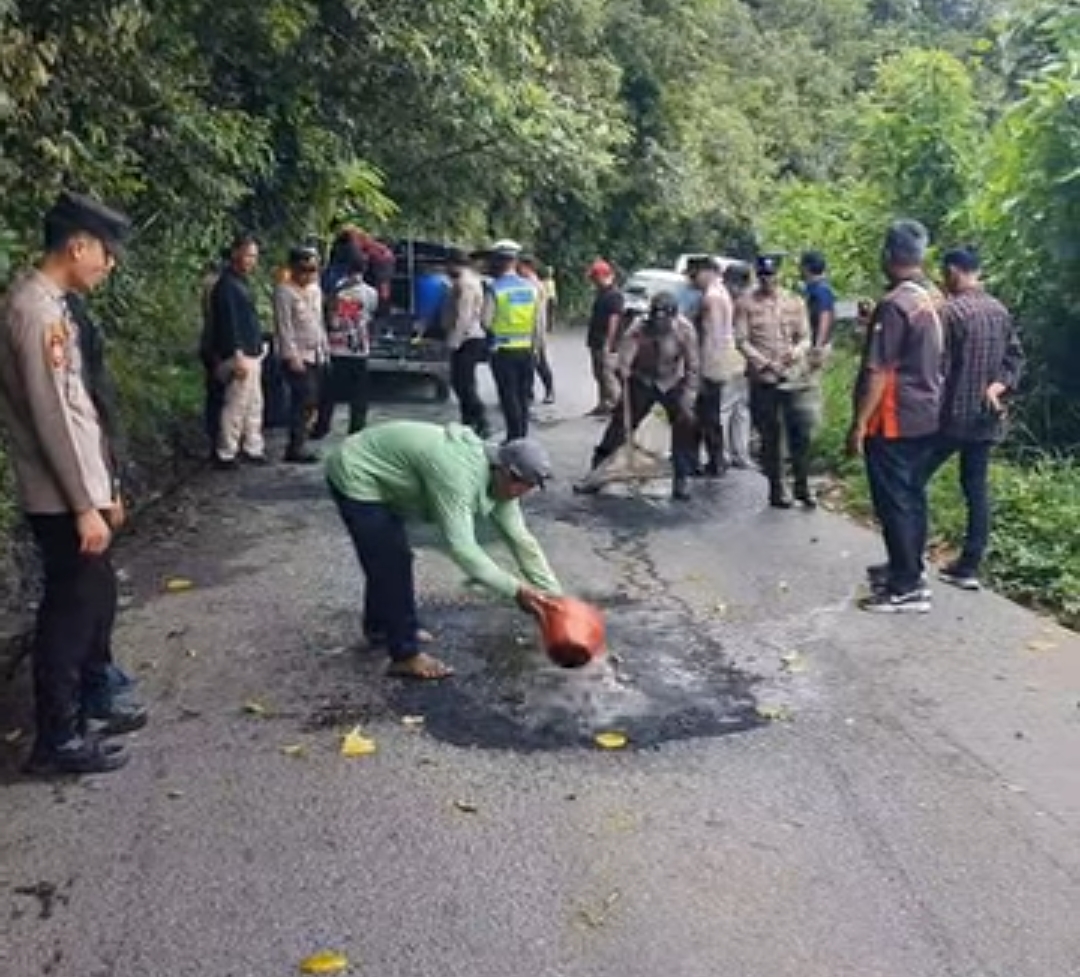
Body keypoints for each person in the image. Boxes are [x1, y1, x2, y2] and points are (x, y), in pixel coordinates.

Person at [0, 190, 147, 775]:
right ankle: (55, 739)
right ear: (77, 246)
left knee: (87, 604)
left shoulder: (51, 304)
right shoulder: (35, 312)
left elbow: (81, 411)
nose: (108, 265)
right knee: (68, 613)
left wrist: (105, 489)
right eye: (104, 253)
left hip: (78, 491)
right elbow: (55, 419)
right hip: (61, 497)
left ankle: (78, 715)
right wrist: (86, 504)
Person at [325, 421, 562, 680]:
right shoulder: (458, 475)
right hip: (356, 471)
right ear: (500, 468)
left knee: (391, 558)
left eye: (528, 486)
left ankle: (382, 627)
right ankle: (405, 656)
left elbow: (522, 541)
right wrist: (518, 591)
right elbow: (463, 550)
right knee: (391, 561)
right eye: (517, 481)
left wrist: (556, 601)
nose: (519, 491)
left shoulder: (503, 483)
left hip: (386, 476)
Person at [847, 220, 945, 613]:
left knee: (895, 502)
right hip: (926, 413)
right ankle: (910, 569)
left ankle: (906, 588)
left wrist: (858, 424)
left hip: (893, 418)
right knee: (912, 497)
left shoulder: (894, 305)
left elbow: (878, 370)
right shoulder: (930, 298)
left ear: (889, 255)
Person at [924, 246, 1024, 591]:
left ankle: (910, 554)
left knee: (910, 480)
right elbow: (1014, 359)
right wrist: (997, 388)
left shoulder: (950, 313)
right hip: (985, 418)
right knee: (976, 489)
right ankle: (969, 565)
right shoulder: (999, 310)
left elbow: (936, 369)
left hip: (950, 418)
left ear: (953, 271)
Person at [575, 292, 700, 501]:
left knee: (686, 424)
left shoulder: (685, 330)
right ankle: (595, 475)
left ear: (672, 317)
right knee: (619, 427)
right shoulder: (638, 328)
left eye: (664, 321)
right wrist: (623, 368)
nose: (659, 325)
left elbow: (693, 365)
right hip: (642, 380)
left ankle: (682, 477)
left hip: (671, 380)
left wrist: (689, 394)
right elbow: (625, 356)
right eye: (656, 320)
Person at [735, 254, 816, 508]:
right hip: (764, 379)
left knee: (801, 434)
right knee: (771, 437)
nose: (767, 280)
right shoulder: (746, 303)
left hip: (793, 378)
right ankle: (777, 489)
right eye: (763, 276)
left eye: (771, 275)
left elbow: (805, 337)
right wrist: (763, 362)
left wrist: (797, 352)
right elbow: (741, 340)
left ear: (779, 275)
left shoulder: (794, 301)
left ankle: (802, 485)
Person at [206, 234, 267, 469]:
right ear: (236, 254)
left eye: (255, 256)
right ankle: (226, 451)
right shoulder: (227, 286)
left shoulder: (240, 282)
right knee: (236, 404)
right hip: (238, 353)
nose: (252, 261)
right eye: (249, 255)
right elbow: (229, 322)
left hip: (253, 351)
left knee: (253, 403)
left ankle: (252, 446)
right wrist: (237, 353)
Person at [314, 245, 377, 439]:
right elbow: (371, 315)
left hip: (338, 347)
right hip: (360, 348)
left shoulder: (337, 291)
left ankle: (322, 427)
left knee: (329, 392)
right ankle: (357, 429)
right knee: (359, 393)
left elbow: (331, 320)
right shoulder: (370, 293)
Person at [274, 246, 327, 463]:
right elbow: (283, 326)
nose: (308, 274)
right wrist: (291, 355)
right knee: (303, 398)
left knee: (313, 399)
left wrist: (325, 348)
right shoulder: (284, 291)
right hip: (297, 354)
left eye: (313, 270)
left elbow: (318, 320)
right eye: (304, 269)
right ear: (294, 269)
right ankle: (295, 446)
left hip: (315, 351)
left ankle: (301, 441)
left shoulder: (315, 290)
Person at [484, 240, 539, 441]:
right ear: (515, 261)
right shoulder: (531, 288)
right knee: (523, 396)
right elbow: (538, 320)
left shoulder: (495, 288)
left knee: (509, 396)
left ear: (498, 262)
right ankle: (522, 434)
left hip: (503, 350)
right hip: (527, 348)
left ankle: (513, 437)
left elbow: (485, 321)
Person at [689, 257, 735, 477]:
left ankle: (716, 461)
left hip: (710, 361)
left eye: (693, 274)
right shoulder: (721, 292)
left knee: (707, 414)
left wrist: (700, 368)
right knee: (706, 413)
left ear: (706, 272)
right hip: (717, 360)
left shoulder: (712, 297)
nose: (691, 280)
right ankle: (707, 459)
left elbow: (713, 335)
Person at [441, 247, 489, 437]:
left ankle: (479, 419)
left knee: (463, 383)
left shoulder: (465, 283)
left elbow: (464, 316)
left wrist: (453, 342)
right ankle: (469, 420)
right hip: (467, 337)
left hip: (467, 338)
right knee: (462, 382)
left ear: (453, 264)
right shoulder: (464, 281)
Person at [585, 259, 624, 416]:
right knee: (599, 374)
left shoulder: (614, 295)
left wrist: (609, 342)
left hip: (605, 342)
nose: (593, 282)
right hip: (595, 340)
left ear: (604, 276)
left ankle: (616, 406)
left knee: (608, 376)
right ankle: (603, 404)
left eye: (595, 278)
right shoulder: (601, 293)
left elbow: (614, 320)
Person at [520, 254, 555, 404]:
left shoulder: (535, 285)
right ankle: (527, 393)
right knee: (527, 364)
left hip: (535, 330)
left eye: (520, 266)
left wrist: (539, 336)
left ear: (528, 267)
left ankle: (549, 391)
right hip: (524, 329)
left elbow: (539, 314)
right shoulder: (524, 283)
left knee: (539, 362)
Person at [800, 250, 836, 351]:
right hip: (810, 341)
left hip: (818, 344)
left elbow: (825, 316)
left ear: (806, 267)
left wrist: (818, 345)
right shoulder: (810, 288)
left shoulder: (821, 289)